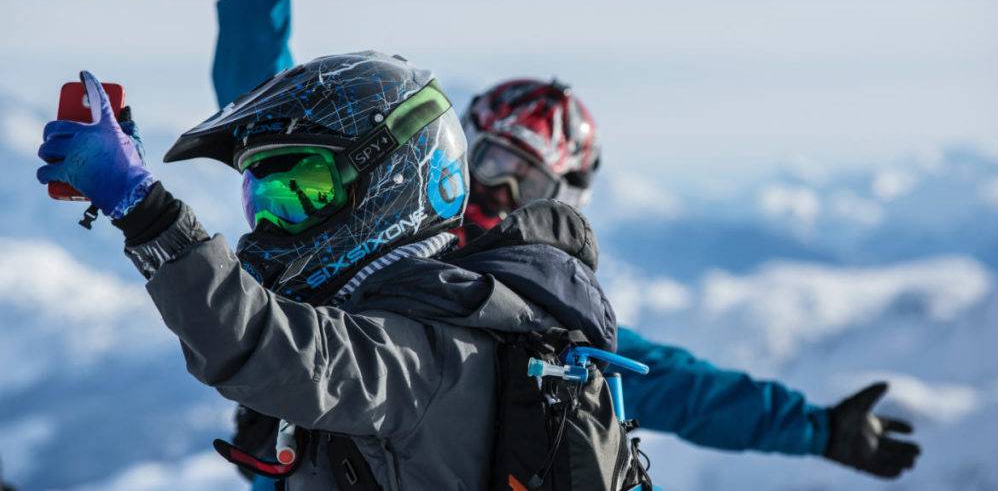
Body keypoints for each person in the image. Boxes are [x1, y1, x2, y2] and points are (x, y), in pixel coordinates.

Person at [211, 0, 921, 483]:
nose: (498, 189)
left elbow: (684, 387)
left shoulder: (533, 313)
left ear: (562, 196)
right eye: (490, 159)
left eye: (525, 177)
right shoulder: (381, 233)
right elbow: (281, 129)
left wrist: (819, 428)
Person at [36, 55, 636, 489]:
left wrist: (142, 209)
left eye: (306, 190)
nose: (272, 221)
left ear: (392, 185)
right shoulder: (409, 312)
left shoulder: (428, 352)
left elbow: (255, 341)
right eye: (262, 196)